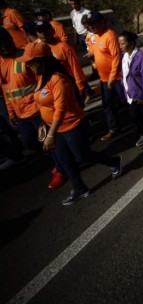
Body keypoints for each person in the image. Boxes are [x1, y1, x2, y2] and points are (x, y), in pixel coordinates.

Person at [19, 42, 123, 205]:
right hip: (55, 127)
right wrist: (42, 122)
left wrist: (51, 134)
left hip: (72, 125)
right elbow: (42, 102)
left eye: (31, 62)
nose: (28, 66)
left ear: (42, 61)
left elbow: (60, 109)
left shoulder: (58, 80)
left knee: (83, 156)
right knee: (64, 158)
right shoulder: (40, 78)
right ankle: (79, 187)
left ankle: (114, 162)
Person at [0, 28, 66, 188]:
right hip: (20, 112)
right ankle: (60, 159)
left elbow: (42, 80)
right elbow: (6, 89)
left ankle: (61, 168)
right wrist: (10, 111)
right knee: (29, 143)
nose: (4, 47)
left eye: (5, 42)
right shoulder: (1, 63)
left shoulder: (24, 56)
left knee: (47, 141)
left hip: (37, 109)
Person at [85, 10, 124, 141]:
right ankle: (113, 128)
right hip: (104, 78)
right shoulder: (95, 36)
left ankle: (139, 123)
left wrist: (112, 78)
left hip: (116, 78)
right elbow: (97, 51)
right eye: (90, 25)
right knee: (107, 105)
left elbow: (116, 58)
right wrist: (91, 54)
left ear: (102, 22)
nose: (92, 27)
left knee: (127, 101)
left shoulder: (110, 35)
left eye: (94, 24)